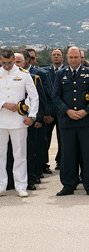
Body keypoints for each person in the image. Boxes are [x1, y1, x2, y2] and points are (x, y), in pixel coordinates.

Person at [52, 47, 89, 196]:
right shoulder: (60, 74)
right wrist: (67, 110)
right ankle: (69, 184)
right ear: (67, 59)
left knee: (87, 155)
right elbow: (56, 96)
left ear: (81, 58)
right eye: (71, 57)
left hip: (85, 121)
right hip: (67, 121)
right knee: (68, 155)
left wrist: (86, 111)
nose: (74, 60)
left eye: (76, 57)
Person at [0, 49, 39, 197]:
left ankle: (21, 185)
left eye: (9, 63)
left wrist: (32, 116)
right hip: (1, 120)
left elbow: (34, 97)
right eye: (3, 62)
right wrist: (3, 103)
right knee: (1, 155)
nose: (6, 66)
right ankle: (1, 185)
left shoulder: (23, 74)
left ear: (13, 60)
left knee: (20, 154)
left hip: (18, 120)